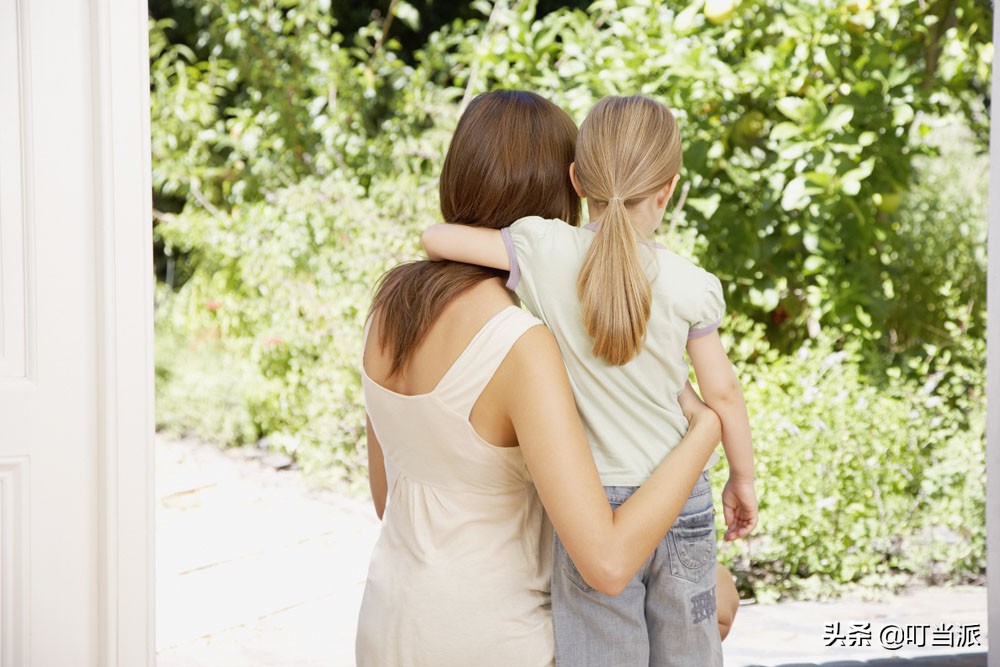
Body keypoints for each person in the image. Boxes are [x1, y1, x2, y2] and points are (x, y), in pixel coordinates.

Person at [356, 90, 723, 667]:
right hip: (497, 638)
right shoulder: (520, 342)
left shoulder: (391, 308)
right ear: (564, 192)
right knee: (716, 602)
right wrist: (705, 429)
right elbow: (605, 563)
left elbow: (389, 499)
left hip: (389, 622)